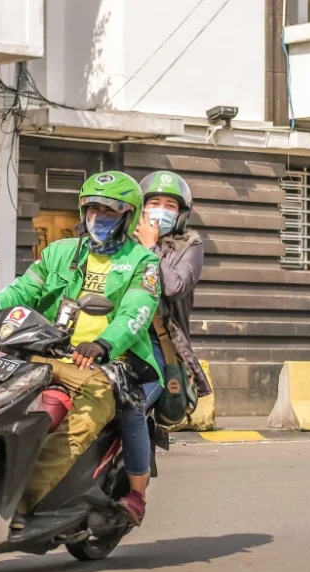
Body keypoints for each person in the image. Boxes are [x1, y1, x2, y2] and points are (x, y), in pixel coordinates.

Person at [0, 171, 161, 526]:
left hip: (109, 362)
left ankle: (27, 501)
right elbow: (23, 290)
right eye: (92, 208)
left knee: (91, 415)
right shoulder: (60, 252)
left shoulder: (143, 262)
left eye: (109, 210)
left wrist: (104, 343)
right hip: (48, 349)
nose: (98, 217)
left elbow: (136, 313)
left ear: (128, 216)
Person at [116, 170, 214, 525]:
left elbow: (173, 287)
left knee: (133, 405)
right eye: (153, 203)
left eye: (168, 205)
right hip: (114, 338)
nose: (160, 210)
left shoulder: (190, 248)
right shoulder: (123, 241)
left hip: (160, 348)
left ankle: (136, 494)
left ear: (181, 213)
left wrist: (149, 248)